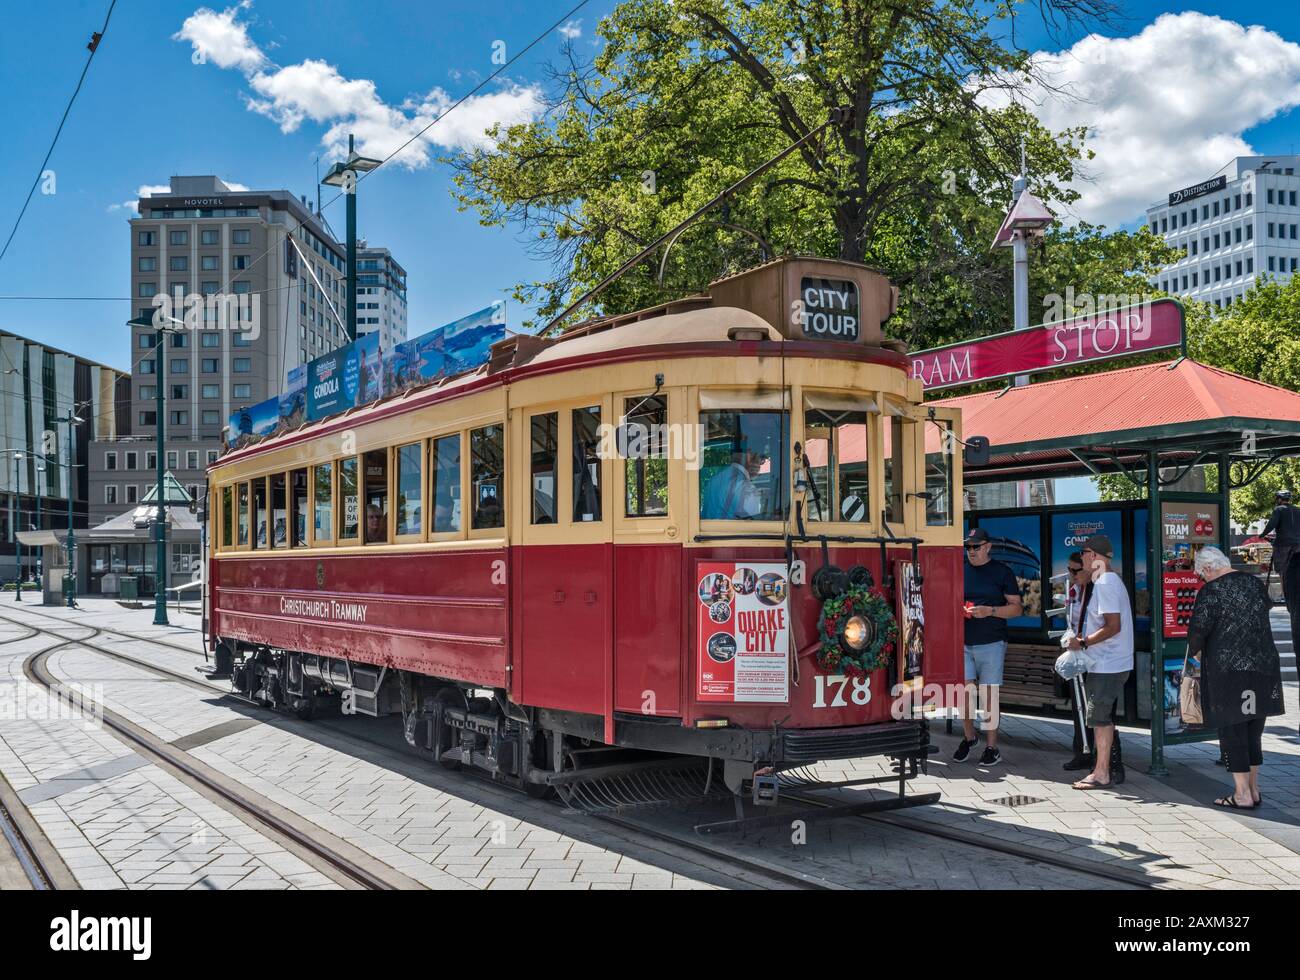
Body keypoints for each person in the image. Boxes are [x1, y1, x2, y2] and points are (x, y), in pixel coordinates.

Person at [1187, 546, 1285, 809]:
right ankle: (1254, 788)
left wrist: (1194, 652)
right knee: (1254, 730)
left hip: (1228, 670)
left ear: (1207, 568)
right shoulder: (1254, 584)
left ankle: (1241, 794)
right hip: (1262, 667)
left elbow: (1198, 630)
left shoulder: (1212, 590)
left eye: (1201, 575)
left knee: (1232, 729)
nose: (1202, 579)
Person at [1069, 535, 1133, 790]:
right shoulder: (1110, 581)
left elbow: (1112, 626)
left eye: (1083, 553)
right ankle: (1101, 770)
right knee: (1100, 717)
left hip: (1107, 663)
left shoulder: (1105, 583)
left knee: (1099, 718)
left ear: (1093, 555)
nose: (1081, 558)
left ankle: (1101, 773)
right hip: (1109, 662)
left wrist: (1082, 642)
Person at [954, 527, 1023, 767]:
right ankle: (969, 737)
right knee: (964, 692)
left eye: (975, 546)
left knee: (989, 694)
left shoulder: (1002, 572)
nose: (971, 551)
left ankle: (992, 747)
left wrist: (990, 611)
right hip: (963, 640)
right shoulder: (960, 570)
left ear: (988, 546)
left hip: (992, 641)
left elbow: (1017, 608)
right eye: (968, 547)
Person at [1062, 552, 1097, 771]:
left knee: (1097, 708)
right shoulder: (1074, 590)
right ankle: (1081, 751)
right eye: (1070, 570)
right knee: (1079, 706)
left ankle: (1104, 758)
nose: (1072, 575)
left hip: (1096, 655)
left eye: (1076, 570)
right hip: (1078, 653)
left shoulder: (1098, 589)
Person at [703, 439, 768, 519]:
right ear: (749, 454)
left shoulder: (713, 480)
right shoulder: (746, 488)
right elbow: (753, 527)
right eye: (762, 459)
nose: (760, 464)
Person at [1262, 489, 1300, 623]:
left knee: (1282, 571)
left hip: (1284, 546)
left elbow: (1272, 524)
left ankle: (1287, 597)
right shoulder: (1297, 510)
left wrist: (1262, 534)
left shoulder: (1279, 510)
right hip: (1298, 546)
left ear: (1278, 499)